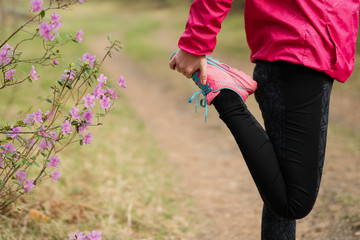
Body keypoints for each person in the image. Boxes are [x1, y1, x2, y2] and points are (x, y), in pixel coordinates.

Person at [169, 0, 360, 239]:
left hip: (304, 43)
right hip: (301, 45)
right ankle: (225, 94)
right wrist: (195, 43)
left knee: (278, 187)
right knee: (294, 202)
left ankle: (225, 92)